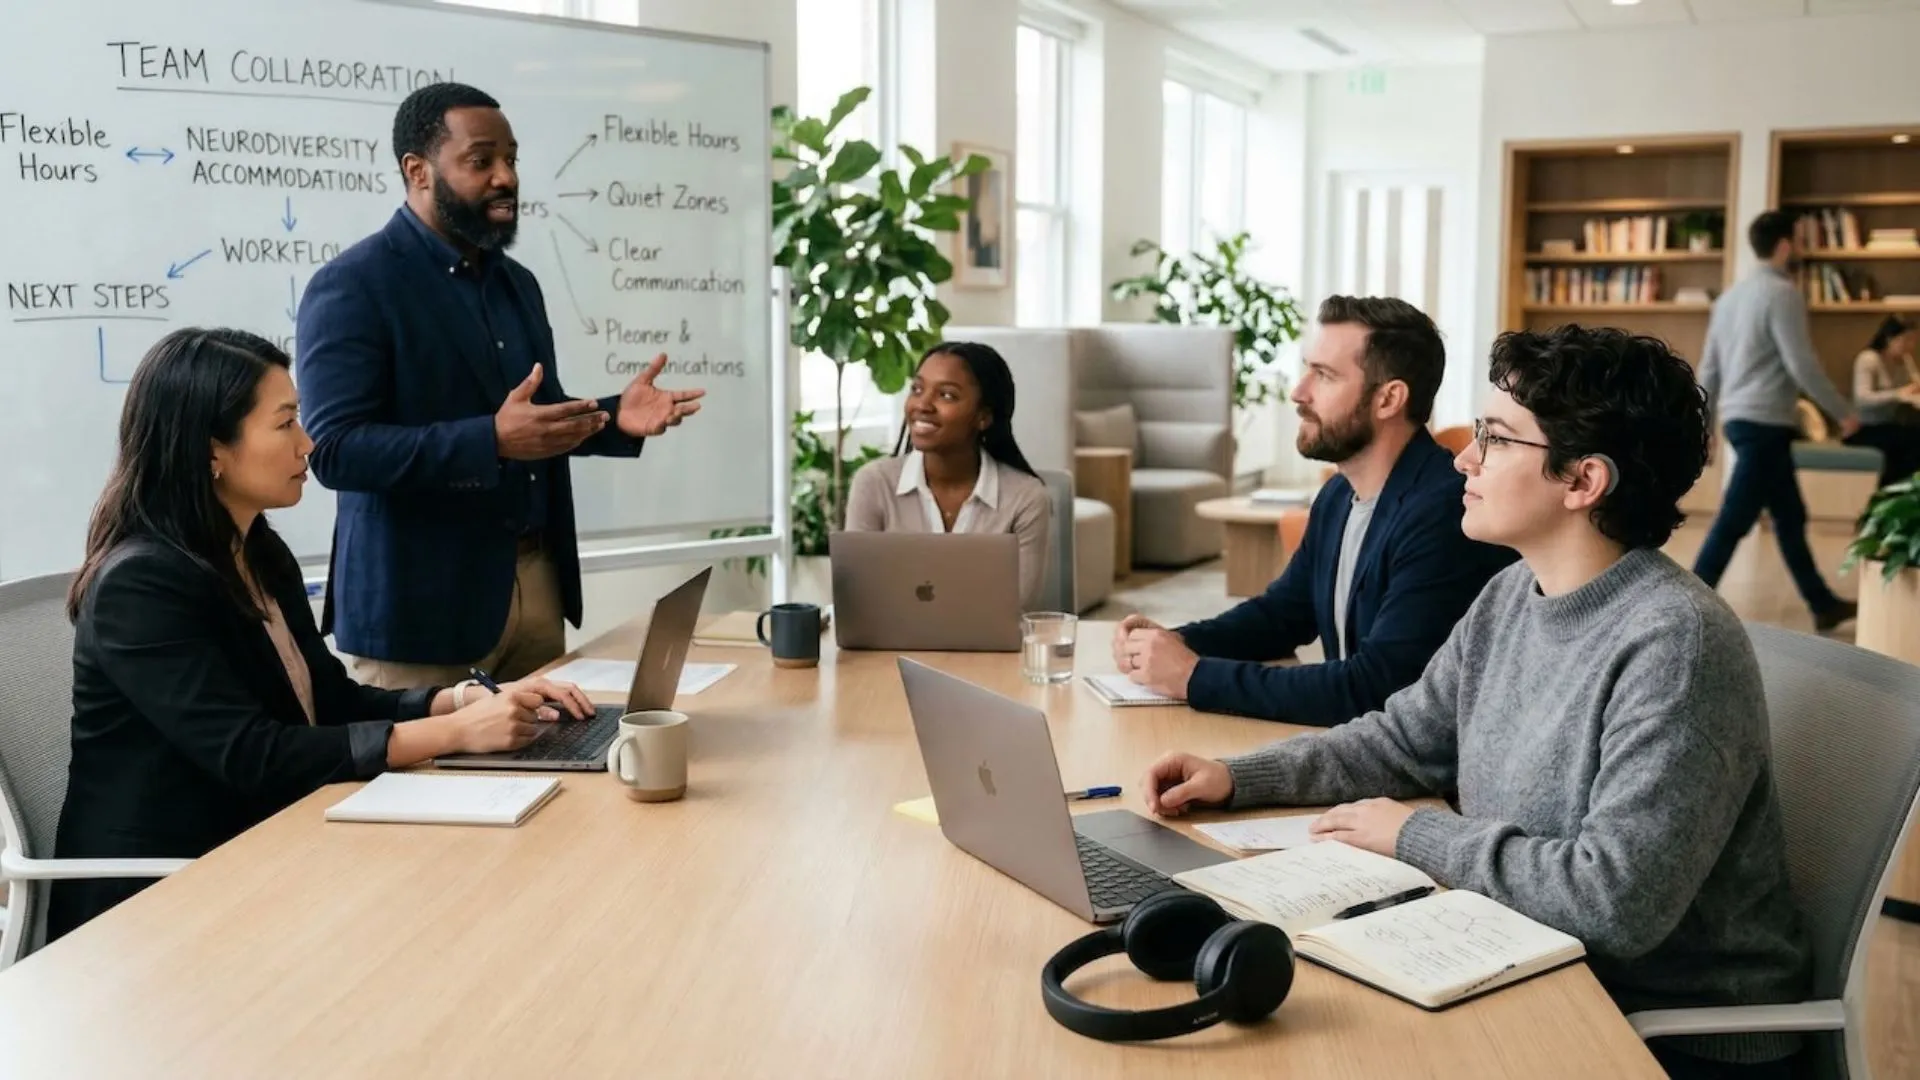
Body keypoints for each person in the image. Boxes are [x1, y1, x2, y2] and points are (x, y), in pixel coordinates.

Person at [1140, 325, 1813, 1080]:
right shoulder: (1511, 594)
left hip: (1658, 1034)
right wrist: (1240, 778)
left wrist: (1416, 836)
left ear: (1583, 481)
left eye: (1494, 438)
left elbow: (1614, 901)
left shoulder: (1675, 647)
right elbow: (1401, 741)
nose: (1463, 456)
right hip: (1524, 958)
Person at [51, 329, 594, 940]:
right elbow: (253, 755)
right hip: (159, 897)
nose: (307, 445)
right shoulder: (141, 584)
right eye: (285, 425)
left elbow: (329, 700)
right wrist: (456, 733)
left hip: (264, 845)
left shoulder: (257, 549)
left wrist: (465, 699)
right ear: (212, 451)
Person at [297, 82, 706, 689]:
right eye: (480, 160)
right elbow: (334, 451)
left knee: (559, 776)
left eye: (511, 159)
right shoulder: (354, 285)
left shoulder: (518, 284)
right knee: (429, 787)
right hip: (421, 612)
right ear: (418, 171)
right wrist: (489, 440)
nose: (505, 178)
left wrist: (614, 415)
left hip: (535, 587)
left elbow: (535, 420)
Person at [1110, 296, 1515, 726]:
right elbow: (1281, 616)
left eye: (1324, 375)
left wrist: (1193, 676)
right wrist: (1171, 642)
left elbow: (1375, 688)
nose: (1299, 392)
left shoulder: (1443, 513)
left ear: (1388, 399)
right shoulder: (1339, 495)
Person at [1693, 209, 1859, 632]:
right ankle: (1688, 602)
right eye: (1798, 241)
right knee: (1734, 518)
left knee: (1788, 516)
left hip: (1741, 420)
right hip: (1766, 422)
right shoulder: (1782, 294)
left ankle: (1821, 603)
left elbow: (1708, 370)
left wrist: (1704, 425)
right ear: (1785, 245)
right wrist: (1843, 413)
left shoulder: (1729, 299)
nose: (1799, 249)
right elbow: (1802, 364)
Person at [844, 342, 1052, 610]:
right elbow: (858, 597)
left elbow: (1017, 608)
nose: (923, 404)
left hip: (990, 652)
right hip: (890, 650)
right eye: (917, 389)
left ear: (983, 417)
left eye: (947, 395)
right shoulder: (873, 484)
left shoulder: (1026, 498)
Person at [1844, 315, 1920, 488]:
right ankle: (1889, 494)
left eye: (1913, 341)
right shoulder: (1868, 359)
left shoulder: (1904, 360)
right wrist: (1898, 394)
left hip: (1888, 425)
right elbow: (1862, 399)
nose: (1910, 346)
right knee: (1908, 442)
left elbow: (1915, 385)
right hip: (1863, 427)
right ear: (1889, 339)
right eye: (1906, 340)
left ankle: (1900, 494)